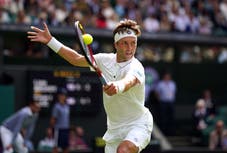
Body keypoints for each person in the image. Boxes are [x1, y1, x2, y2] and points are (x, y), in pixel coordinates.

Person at [27, 19, 153, 153]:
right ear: (116, 44)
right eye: (125, 43)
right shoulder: (104, 60)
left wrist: (117, 87)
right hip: (114, 130)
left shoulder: (136, 66)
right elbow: (75, 59)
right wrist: (50, 41)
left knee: (123, 150)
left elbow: (129, 81)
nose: (130, 48)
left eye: (133, 43)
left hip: (138, 124)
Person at [155, 71, 177, 136]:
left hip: (171, 102)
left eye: (168, 76)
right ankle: (163, 131)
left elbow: (174, 92)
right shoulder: (160, 84)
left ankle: (171, 131)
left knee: (171, 117)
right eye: (166, 76)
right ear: (164, 77)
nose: (167, 77)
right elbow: (156, 93)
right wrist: (159, 99)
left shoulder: (173, 84)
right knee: (163, 117)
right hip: (163, 103)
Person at [50, 87, 70, 153]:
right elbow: (53, 120)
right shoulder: (56, 106)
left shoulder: (67, 106)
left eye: (64, 95)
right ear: (58, 96)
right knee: (55, 148)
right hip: (58, 130)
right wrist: (52, 129)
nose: (62, 96)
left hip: (66, 130)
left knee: (66, 148)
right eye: (61, 95)